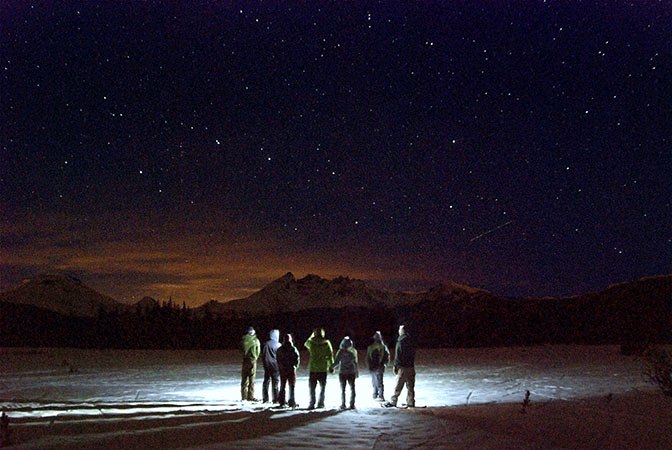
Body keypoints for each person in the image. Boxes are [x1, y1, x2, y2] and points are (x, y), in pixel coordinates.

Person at [384, 324, 416, 408]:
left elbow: (398, 355)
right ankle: (411, 402)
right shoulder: (411, 340)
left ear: (402, 331)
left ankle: (393, 401)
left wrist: (396, 365)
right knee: (410, 386)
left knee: (398, 385)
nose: (399, 331)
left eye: (400, 329)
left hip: (403, 367)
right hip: (411, 366)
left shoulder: (401, 341)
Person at [304, 327, 334, 409]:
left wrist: (311, 335)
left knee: (312, 388)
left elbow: (305, 343)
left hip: (313, 368)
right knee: (322, 387)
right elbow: (330, 355)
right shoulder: (326, 343)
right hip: (323, 368)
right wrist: (331, 366)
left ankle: (312, 403)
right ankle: (321, 403)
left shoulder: (311, 343)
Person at [331, 336, 359, 409]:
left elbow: (337, 362)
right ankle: (352, 404)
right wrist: (357, 372)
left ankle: (343, 404)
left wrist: (331, 367)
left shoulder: (340, 351)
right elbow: (355, 362)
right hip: (351, 372)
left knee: (343, 389)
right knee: (352, 388)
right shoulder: (353, 351)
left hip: (342, 372)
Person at [277, 333, 300, 408]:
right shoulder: (293, 348)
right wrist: (295, 366)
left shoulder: (280, 349)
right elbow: (297, 358)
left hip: (283, 370)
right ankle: (292, 401)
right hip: (291, 370)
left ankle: (282, 401)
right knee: (292, 386)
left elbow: (278, 359)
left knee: (283, 385)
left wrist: (280, 366)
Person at [366, 330, 390, 401]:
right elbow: (387, 356)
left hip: (373, 367)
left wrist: (369, 366)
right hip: (380, 366)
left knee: (374, 381)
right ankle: (381, 395)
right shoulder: (383, 347)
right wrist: (385, 364)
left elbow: (368, 357)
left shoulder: (371, 347)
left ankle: (375, 394)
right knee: (380, 381)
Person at [240, 326, 261, 401]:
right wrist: (254, 358)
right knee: (252, 379)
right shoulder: (256, 340)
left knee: (244, 379)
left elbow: (241, 350)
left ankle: (243, 396)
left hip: (245, 361)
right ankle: (250, 396)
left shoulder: (243, 340)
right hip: (252, 361)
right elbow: (258, 351)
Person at [262, 329, 281, 403]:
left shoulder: (266, 344)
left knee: (266, 382)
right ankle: (275, 398)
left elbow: (263, 355)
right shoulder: (278, 345)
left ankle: (265, 398)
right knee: (275, 383)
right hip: (275, 366)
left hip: (267, 366)